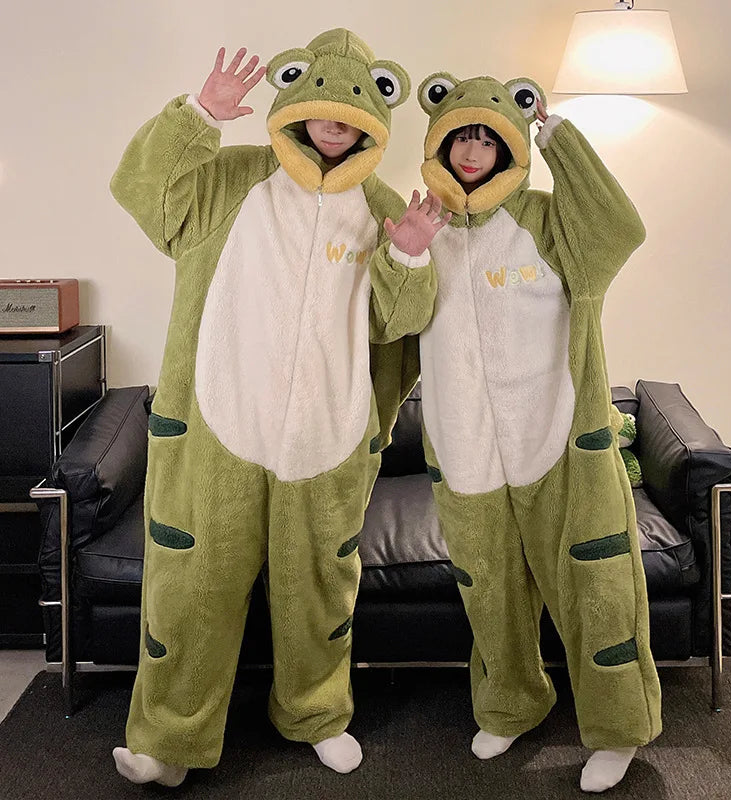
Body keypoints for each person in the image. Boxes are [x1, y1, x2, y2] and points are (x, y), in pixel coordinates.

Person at [108, 28, 448, 787]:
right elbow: (143, 192)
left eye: (353, 112)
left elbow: (402, 320)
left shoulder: (384, 207)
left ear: (372, 119)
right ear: (296, 103)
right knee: (192, 586)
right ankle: (167, 739)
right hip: (218, 430)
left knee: (318, 587)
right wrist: (199, 114)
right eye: (323, 105)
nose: (337, 122)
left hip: (325, 436)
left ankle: (317, 715)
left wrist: (415, 251)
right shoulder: (230, 179)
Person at [415, 72, 662, 793]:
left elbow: (623, 229)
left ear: (511, 145)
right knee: (489, 592)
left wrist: (559, 138)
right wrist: (404, 250)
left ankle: (618, 730)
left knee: (595, 589)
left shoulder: (555, 221)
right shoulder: (422, 225)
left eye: (489, 136)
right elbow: (392, 321)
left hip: (556, 440)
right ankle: (512, 706)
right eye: (461, 134)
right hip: (465, 448)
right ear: (439, 140)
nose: (473, 147)